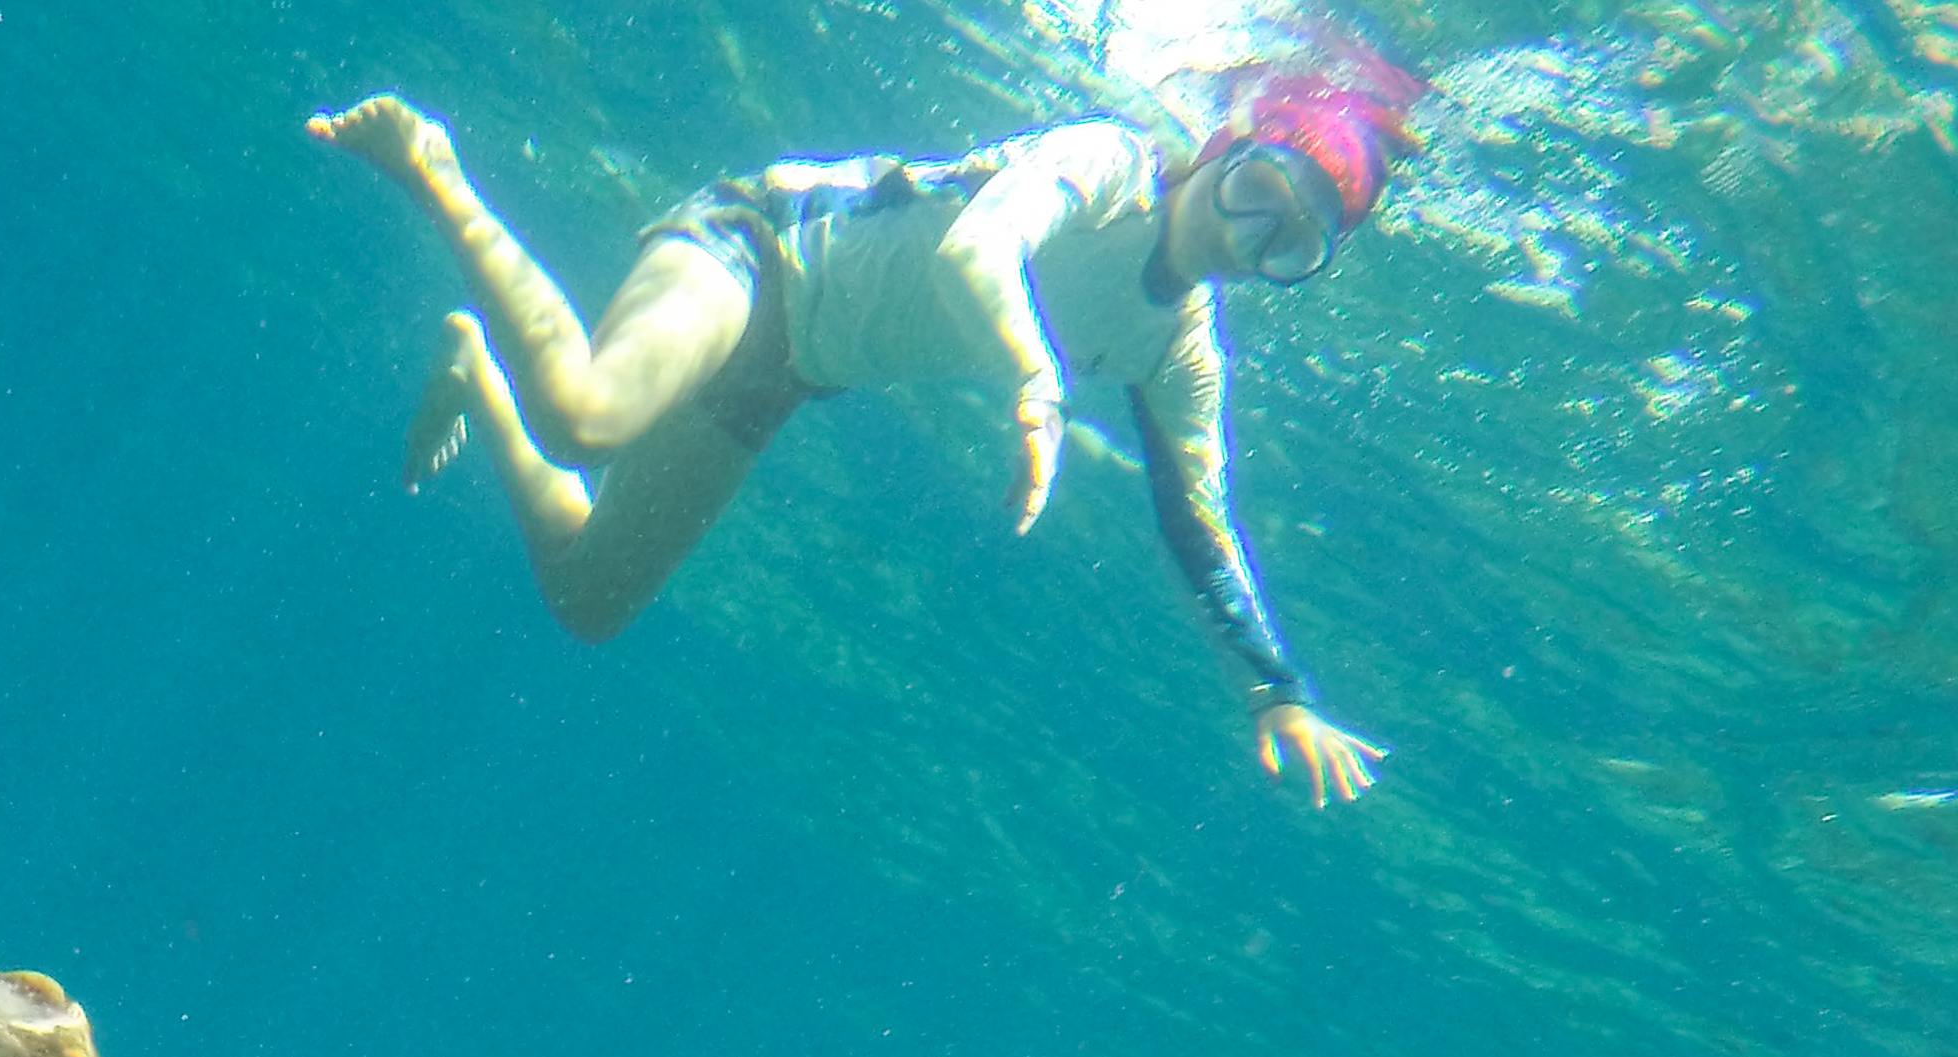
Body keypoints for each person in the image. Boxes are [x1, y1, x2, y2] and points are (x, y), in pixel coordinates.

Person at [308, 77, 1404, 808]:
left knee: (590, 598)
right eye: (1256, 191)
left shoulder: (1183, 352)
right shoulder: (1110, 162)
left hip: (789, 371)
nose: (1245, 234)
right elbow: (978, 247)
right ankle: (438, 172)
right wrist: (1036, 377)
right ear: (1219, 150)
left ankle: (472, 365)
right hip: (758, 245)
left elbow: (1199, 520)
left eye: (1289, 243)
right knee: (588, 415)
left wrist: (1277, 689)